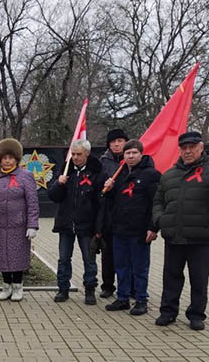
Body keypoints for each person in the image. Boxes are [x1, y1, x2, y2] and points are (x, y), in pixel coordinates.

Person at [152, 132, 209, 330]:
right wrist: (161, 220)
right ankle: (168, 312)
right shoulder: (169, 174)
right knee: (171, 277)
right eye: (184, 148)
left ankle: (196, 315)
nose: (188, 151)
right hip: (174, 236)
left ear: (201, 147)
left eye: (192, 147)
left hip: (201, 238)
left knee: (199, 279)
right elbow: (158, 201)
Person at [102, 139, 160, 315]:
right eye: (128, 153)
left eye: (134, 153)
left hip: (139, 230)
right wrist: (109, 189)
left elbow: (156, 203)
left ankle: (141, 300)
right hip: (120, 229)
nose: (131, 156)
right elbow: (112, 202)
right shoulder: (119, 174)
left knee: (139, 268)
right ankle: (123, 298)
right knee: (121, 266)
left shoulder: (151, 175)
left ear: (141, 154)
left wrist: (153, 227)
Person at [0, 138, 39, 302]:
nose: (7, 161)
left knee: (17, 256)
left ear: (16, 159)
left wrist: (32, 225)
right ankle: (6, 286)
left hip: (18, 226)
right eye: (4, 158)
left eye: (10, 158)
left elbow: (32, 203)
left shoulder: (26, 176)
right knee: (1, 257)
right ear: (0, 159)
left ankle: (18, 287)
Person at [48, 139, 105, 305]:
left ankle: (90, 290)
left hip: (87, 225)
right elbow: (53, 197)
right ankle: (63, 289)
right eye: (73, 154)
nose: (75, 157)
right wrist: (58, 184)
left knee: (89, 259)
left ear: (87, 153)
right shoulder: (66, 170)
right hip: (66, 224)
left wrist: (98, 227)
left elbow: (101, 203)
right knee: (63, 259)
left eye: (79, 154)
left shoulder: (97, 173)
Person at [98, 128, 129, 298]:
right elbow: (97, 186)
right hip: (108, 214)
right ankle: (108, 285)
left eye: (120, 141)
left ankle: (130, 286)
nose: (117, 145)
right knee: (108, 253)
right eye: (113, 142)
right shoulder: (103, 162)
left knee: (128, 254)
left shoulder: (132, 160)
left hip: (127, 214)